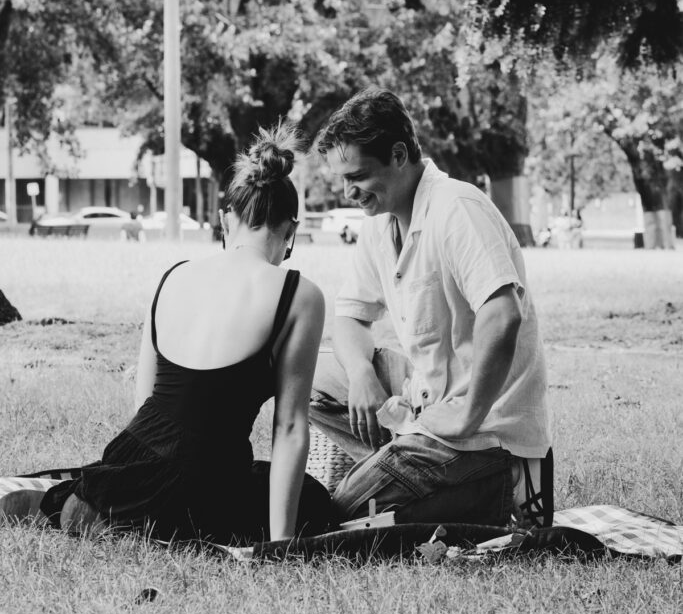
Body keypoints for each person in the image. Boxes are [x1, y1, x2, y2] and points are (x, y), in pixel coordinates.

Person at [5, 126, 334, 544]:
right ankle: (146, 517)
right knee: (313, 498)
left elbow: (145, 404)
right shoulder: (300, 295)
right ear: (291, 230)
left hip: (130, 458)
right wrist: (280, 545)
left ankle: (106, 506)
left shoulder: (173, 277)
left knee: (194, 473)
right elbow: (289, 428)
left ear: (224, 219)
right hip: (207, 479)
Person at [310, 88, 551, 528]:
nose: (349, 192)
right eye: (342, 180)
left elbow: (503, 314)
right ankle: (400, 465)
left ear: (399, 155)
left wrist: (469, 415)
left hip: (484, 435)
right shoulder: (381, 221)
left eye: (358, 176)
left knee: (335, 512)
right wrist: (363, 375)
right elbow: (349, 316)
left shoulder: (456, 208)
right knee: (309, 373)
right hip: (424, 404)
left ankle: (496, 493)